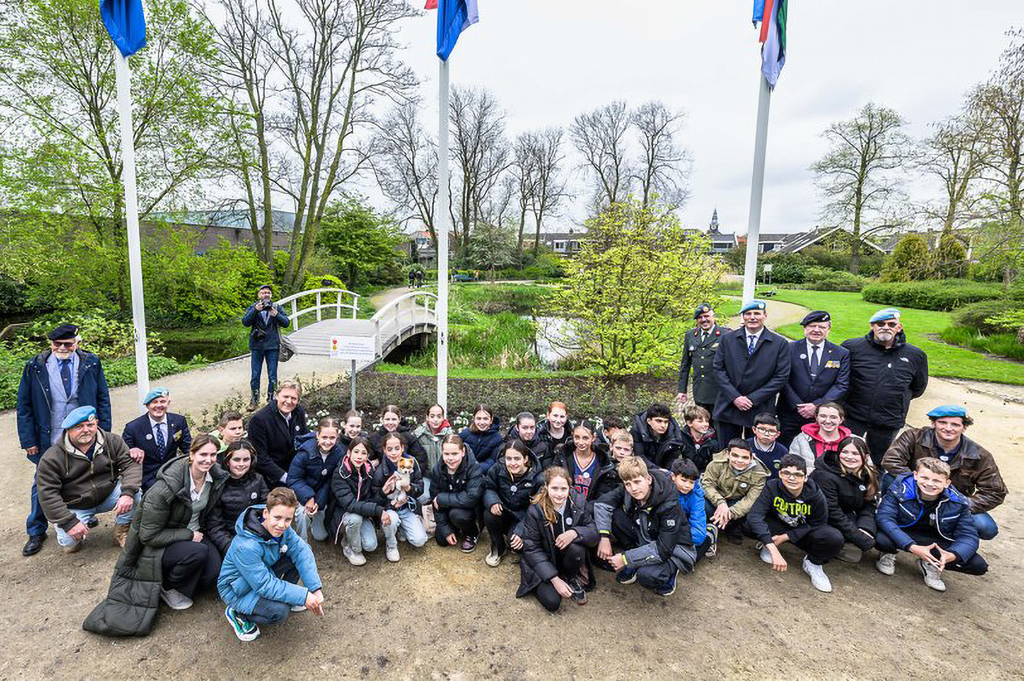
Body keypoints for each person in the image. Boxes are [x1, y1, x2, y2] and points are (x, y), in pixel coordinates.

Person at [17, 323, 112, 557]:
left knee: (84, 473)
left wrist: (104, 431)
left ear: (77, 343)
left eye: (67, 344)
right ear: (50, 344)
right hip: (49, 434)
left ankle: (84, 515)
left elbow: (103, 398)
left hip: (84, 433)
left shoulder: (91, 362)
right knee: (43, 480)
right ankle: (37, 530)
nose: (61, 347)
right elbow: (24, 405)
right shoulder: (35, 366)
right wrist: (28, 439)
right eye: (57, 343)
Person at [882, 405, 1006, 541]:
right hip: (914, 491)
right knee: (889, 479)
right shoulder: (914, 436)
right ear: (933, 423)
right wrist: (917, 484)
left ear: (964, 427)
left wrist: (963, 504)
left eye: (955, 424)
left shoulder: (980, 455)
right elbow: (891, 460)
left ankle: (945, 542)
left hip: (952, 501)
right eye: (942, 422)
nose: (948, 428)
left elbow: (995, 491)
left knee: (986, 528)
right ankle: (892, 531)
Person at [218, 487, 325, 641]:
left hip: (261, 573)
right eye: (277, 518)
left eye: (288, 520)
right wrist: (303, 596)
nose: (282, 525)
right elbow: (264, 585)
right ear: (266, 513)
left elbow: (301, 551)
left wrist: (315, 589)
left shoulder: (280, 526)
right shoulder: (246, 546)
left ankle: (288, 599)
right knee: (279, 613)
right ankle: (238, 613)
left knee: (298, 555)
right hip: (238, 589)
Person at [36, 406, 140, 553]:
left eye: (90, 425)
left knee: (136, 493)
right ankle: (75, 531)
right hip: (76, 504)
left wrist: (127, 493)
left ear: (96, 423)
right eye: (79, 427)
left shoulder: (112, 441)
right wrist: (68, 522)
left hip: (108, 495)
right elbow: (47, 494)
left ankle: (122, 530)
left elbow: (130, 465)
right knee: (69, 542)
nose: (86, 430)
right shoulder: (51, 458)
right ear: (68, 430)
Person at [875, 458, 988, 592]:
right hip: (903, 532)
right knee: (879, 538)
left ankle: (929, 563)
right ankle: (888, 553)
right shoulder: (900, 488)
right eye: (925, 478)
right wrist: (911, 546)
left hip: (934, 541)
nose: (929, 484)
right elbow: (884, 518)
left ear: (947, 483)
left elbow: (969, 536)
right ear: (915, 475)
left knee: (977, 565)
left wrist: (952, 555)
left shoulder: (958, 501)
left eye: (936, 480)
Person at [595, 456, 696, 597]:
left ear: (648, 479)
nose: (633, 488)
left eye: (637, 482)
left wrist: (625, 559)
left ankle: (669, 572)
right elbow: (602, 504)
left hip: (673, 548)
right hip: (646, 535)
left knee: (647, 576)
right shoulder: (629, 488)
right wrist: (604, 536)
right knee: (615, 516)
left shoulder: (669, 503)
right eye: (628, 484)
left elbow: (663, 549)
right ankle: (638, 558)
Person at [841, 307, 928, 465]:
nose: (885, 327)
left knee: (879, 461)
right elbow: (841, 377)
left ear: (899, 327)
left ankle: (875, 489)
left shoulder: (916, 355)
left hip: (888, 419)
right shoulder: (852, 347)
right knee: (846, 455)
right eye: (880, 323)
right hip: (853, 416)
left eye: (891, 324)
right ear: (872, 326)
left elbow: (918, 388)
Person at [744, 454, 843, 593]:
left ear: (805, 477)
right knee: (749, 524)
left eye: (797, 474)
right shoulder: (772, 486)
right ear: (779, 473)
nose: (792, 478)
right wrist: (771, 546)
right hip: (777, 526)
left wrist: (787, 536)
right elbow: (755, 515)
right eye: (786, 473)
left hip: (803, 532)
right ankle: (769, 545)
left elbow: (818, 523)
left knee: (833, 537)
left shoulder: (815, 494)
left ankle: (813, 563)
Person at [516, 467, 599, 612]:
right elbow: (532, 549)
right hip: (545, 559)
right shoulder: (535, 510)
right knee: (552, 603)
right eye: (554, 488)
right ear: (546, 487)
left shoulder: (578, 503)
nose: (559, 494)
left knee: (577, 548)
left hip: (567, 556)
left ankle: (571, 577)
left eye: (563, 489)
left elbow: (593, 531)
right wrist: (554, 579)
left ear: (569, 488)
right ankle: (555, 578)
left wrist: (575, 532)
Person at [712, 299, 792, 445]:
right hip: (729, 406)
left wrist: (752, 399)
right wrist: (735, 397)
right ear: (743, 316)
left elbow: (781, 377)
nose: (753, 317)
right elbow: (718, 369)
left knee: (757, 454)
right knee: (727, 451)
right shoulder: (727, 339)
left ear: (765, 315)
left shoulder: (779, 344)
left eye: (757, 313)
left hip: (759, 409)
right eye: (748, 314)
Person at [777, 311, 850, 446]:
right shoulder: (788, 348)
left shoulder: (840, 353)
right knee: (785, 449)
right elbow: (782, 378)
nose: (816, 330)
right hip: (790, 412)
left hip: (822, 416)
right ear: (804, 328)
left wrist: (817, 406)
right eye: (812, 326)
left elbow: (841, 385)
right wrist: (798, 405)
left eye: (822, 327)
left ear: (828, 329)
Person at [808, 437, 878, 564]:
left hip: (846, 514)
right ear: (838, 453)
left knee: (875, 535)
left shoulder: (866, 474)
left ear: (865, 457)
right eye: (845, 452)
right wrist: (858, 536)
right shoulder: (825, 475)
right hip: (820, 518)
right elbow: (832, 511)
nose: (849, 457)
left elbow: (869, 504)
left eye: (855, 453)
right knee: (841, 544)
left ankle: (847, 543)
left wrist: (865, 528)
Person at [700, 440, 768, 556]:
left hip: (737, 503)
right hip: (716, 499)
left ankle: (731, 527)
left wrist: (729, 513)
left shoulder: (760, 473)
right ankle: (707, 527)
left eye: (745, 457)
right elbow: (707, 484)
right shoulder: (716, 463)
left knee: (751, 512)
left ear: (751, 457)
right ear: (728, 454)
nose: (739, 460)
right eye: (735, 455)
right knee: (701, 504)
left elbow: (751, 500)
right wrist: (721, 503)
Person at [204, 440, 268, 558]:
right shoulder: (219, 485)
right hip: (229, 540)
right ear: (228, 461)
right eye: (236, 459)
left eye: (246, 460)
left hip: (254, 537)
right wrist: (231, 547)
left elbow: (266, 511)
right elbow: (214, 525)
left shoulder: (258, 480)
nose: (241, 464)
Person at [483, 440, 542, 566]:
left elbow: (536, 508)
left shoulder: (537, 477)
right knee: (489, 514)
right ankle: (498, 547)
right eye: (508, 458)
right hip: (502, 511)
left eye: (517, 458)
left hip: (522, 517)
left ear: (525, 459)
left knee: (516, 546)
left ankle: (514, 538)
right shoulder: (498, 468)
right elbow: (489, 487)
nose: (513, 463)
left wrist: (521, 530)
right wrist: (493, 501)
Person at [372, 432, 429, 561]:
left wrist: (409, 488)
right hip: (390, 509)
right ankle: (391, 545)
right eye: (390, 449)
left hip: (408, 507)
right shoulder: (380, 471)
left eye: (397, 448)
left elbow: (420, 489)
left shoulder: (411, 462)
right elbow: (375, 500)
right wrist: (388, 498)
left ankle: (402, 528)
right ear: (384, 450)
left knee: (419, 540)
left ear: (402, 448)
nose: (394, 453)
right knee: (391, 521)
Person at [122, 387, 192, 492]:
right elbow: (123, 455)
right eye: (154, 402)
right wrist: (132, 449)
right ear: (147, 405)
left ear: (168, 403)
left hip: (172, 474)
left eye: (162, 401)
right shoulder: (133, 428)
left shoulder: (179, 421)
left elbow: (188, 447)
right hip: (147, 478)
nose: (159, 405)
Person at [288, 417, 345, 543]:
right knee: (303, 515)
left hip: (322, 496)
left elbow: (332, 480)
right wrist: (308, 497)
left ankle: (317, 521)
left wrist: (318, 502)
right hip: (304, 494)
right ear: (317, 435)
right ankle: (300, 542)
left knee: (321, 536)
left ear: (337, 438)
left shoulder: (339, 453)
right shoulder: (305, 452)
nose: (328, 442)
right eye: (324, 437)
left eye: (332, 438)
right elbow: (293, 478)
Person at [329, 437, 384, 566]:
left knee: (371, 546)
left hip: (362, 512)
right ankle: (351, 548)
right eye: (356, 452)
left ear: (368, 456)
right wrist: (378, 510)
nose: (359, 456)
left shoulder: (369, 471)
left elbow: (372, 497)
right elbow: (349, 504)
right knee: (355, 519)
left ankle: (355, 535)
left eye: (363, 453)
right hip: (344, 514)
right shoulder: (340, 473)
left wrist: (383, 492)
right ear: (349, 453)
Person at [247, 380, 310, 488]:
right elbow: (261, 458)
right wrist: (287, 478)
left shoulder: (298, 412)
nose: (289, 401)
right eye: (285, 396)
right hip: (271, 478)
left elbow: (304, 439)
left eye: (293, 398)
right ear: (277, 396)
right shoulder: (260, 420)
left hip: (295, 470)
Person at [431, 434, 485, 552]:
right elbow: (435, 501)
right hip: (448, 507)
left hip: (469, 509)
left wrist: (442, 498)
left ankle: (472, 533)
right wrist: (446, 530)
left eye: (455, 453)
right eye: (446, 454)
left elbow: (471, 498)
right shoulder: (437, 469)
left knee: (457, 515)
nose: (450, 458)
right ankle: (454, 527)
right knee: (442, 540)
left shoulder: (474, 467)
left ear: (463, 452)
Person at [242, 284, 291, 411]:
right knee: (255, 375)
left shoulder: (276, 307)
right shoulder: (254, 307)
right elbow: (245, 322)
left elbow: (286, 323)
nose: (266, 295)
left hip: (272, 346)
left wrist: (276, 315)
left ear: (271, 295)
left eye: (268, 293)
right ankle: (254, 400)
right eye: (263, 292)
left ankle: (271, 400)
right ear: (259, 295)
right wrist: (255, 310)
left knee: (272, 375)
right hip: (257, 346)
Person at [676, 303, 728, 415]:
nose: (704, 320)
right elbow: (685, 364)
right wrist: (682, 390)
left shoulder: (726, 334)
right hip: (700, 391)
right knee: (702, 426)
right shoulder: (690, 335)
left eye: (706, 316)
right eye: (700, 317)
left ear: (713, 316)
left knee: (719, 428)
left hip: (720, 392)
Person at [556, 421, 617, 509]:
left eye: (585, 438)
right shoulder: (564, 457)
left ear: (593, 438)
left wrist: (589, 508)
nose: (581, 442)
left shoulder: (602, 461)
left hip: (591, 508)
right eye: (577, 437)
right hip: (566, 505)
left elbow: (603, 493)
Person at [788, 402, 851, 474]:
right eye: (823, 416)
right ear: (816, 418)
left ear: (841, 419)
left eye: (833, 417)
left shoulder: (852, 441)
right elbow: (793, 467)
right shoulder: (801, 440)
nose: (828, 421)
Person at [669, 458, 711, 561]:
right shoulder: (662, 488)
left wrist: (668, 536)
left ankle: (710, 534)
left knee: (695, 552)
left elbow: (698, 536)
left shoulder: (696, 494)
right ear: (672, 476)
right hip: (670, 521)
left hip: (685, 524)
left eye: (692, 482)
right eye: (683, 480)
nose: (687, 486)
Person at [369, 405, 429, 470]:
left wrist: (409, 471)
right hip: (383, 476)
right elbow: (369, 461)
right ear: (382, 420)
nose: (390, 422)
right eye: (387, 419)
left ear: (399, 419)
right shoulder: (374, 438)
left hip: (406, 474)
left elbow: (421, 457)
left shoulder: (408, 437)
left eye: (394, 419)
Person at [629, 403, 686, 469]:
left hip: (665, 471)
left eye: (666, 422)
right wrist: (658, 470)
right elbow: (639, 456)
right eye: (659, 421)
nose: (663, 425)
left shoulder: (674, 434)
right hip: (641, 469)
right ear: (649, 421)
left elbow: (672, 459)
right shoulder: (637, 430)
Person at [459, 403, 503, 473]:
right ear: (474, 419)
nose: (482, 422)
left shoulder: (497, 439)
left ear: (491, 420)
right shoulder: (465, 434)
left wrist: (474, 469)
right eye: (479, 418)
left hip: (484, 475)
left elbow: (492, 461)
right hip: (463, 472)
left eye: (485, 419)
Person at [746, 413, 789, 479]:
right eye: (762, 429)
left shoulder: (783, 451)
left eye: (771, 431)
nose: (766, 434)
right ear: (754, 429)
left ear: (777, 434)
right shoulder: (745, 446)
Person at [679, 405, 719, 473]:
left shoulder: (713, 441)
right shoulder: (680, 438)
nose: (705, 424)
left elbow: (715, 466)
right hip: (684, 474)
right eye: (700, 421)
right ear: (689, 423)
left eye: (706, 421)